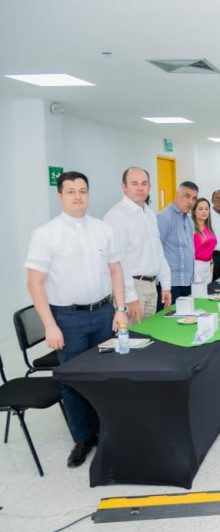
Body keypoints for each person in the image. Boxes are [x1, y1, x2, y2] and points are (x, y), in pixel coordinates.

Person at [25, 171, 127, 468]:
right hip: (68, 318)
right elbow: (35, 284)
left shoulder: (102, 229)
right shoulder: (46, 234)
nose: (78, 196)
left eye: (82, 190)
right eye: (71, 191)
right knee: (73, 379)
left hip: (104, 313)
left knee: (107, 374)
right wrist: (49, 325)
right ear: (60, 196)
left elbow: (116, 270)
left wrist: (120, 309)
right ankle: (83, 438)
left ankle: (107, 429)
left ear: (88, 194)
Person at [103, 167, 171, 323]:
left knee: (148, 334)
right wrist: (130, 297)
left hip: (152, 286)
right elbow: (118, 262)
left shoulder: (150, 214)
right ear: (124, 187)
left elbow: (158, 252)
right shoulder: (116, 216)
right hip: (132, 288)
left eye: (144, 183)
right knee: (132, 335)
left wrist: (166, 285)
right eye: (134, 183)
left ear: (149, 186)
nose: (140, 188)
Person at [156, 181, 198, 308]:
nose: (190, 201)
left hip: (186, 282)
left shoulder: (189, 220)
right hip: (170, 285)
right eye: (187, 196)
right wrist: (165, 285)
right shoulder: (164, 217)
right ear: (177, 194)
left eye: (194, 198)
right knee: (168, 319)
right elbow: (157, 252)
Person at [191, 198, 217, 286]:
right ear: (194, 211)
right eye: (200, 209)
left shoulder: (209, 228)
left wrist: (211, 266)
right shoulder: (191, 228)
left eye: (206, 209)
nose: (204, 211)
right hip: (195, 267)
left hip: (208, 266)